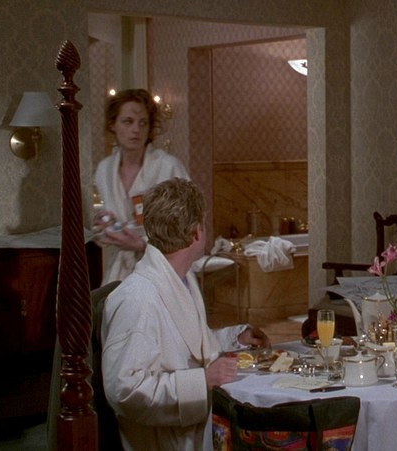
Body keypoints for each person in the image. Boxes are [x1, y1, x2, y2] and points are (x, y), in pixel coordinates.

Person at [101, 178, 269, 451]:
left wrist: (235, 338)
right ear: (196, 234)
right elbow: (125, 390)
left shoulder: (181, 277)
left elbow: (184, 345)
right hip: (163, 441)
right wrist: (203, 381)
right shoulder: (138, 299)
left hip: (194, 427)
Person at [93, 88, 190, 285]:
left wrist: (142, 245)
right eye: (128, 121)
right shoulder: (105, 170)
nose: (136, 129)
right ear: (113, 124)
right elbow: (99, 220)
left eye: (143, 123)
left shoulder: (168, 167)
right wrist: (103, 227)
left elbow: (189, 228)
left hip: (164, 271)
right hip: (121, 273)